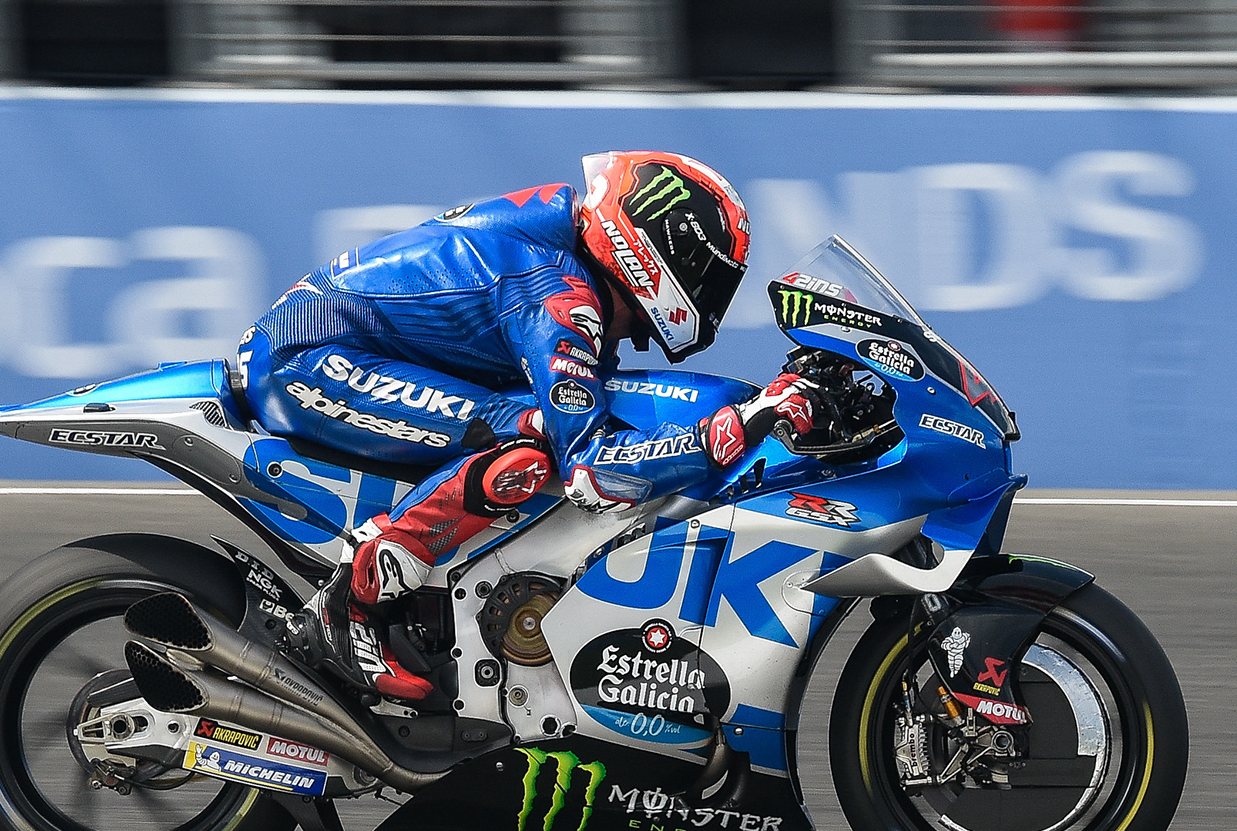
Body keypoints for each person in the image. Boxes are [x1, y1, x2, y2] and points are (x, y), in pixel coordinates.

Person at [238, 150, 829, 701]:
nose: (707, 294)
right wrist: (739, 427)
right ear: (652, 248)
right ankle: (347, 605)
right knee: (526, 448)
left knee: (541, 422)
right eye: (703, 272)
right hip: (307, 362)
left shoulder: (567, 252)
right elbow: (592, 470)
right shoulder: (559, 295)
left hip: (334, 345)